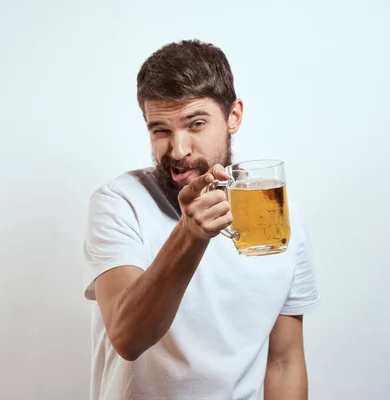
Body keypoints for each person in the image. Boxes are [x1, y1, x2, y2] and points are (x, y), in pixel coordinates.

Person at [83, 39, 320, 400]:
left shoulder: (275, 210)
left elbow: (284, 362)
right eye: (160, 130)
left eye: (195, 124)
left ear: (233, 116)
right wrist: (190, 234)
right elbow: (128, 338)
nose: (178, 150)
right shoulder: (119, 203)